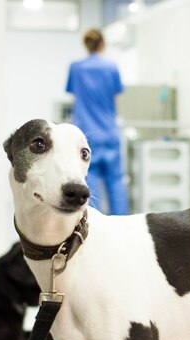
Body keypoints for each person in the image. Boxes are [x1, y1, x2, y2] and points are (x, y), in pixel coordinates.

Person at [66, 28, 129, 215]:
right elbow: (116, 94)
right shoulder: (111, 67)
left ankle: (94, 225)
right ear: (103, 44)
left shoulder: (76, 68)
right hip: (109, 132)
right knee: (116, 182)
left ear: (86, 45)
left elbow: (73, 93)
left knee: (90, 179)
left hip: (87, 134)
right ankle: (121, 225)